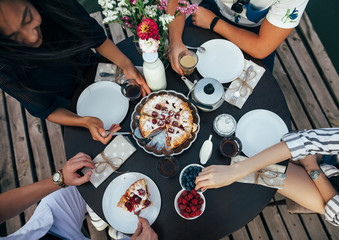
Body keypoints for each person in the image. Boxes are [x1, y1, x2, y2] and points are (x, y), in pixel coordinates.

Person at [0, 0, 151, 145]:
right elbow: (46, 109)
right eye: (15, 38)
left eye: (28, 18)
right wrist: (84, 121)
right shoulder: (3, 67)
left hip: (93, 65)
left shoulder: (56, 4)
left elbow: (96, 38)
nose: (32, 38)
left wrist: (126, 65)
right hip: (67, 105)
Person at [195, 128, 339, 226]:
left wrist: (312, 169)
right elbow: (306, 141)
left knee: (265, 171)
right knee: (264, 145)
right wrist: (237, 170)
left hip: (332, 197)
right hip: (334, 158)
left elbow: (336, 210)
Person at [0, 152, 158, 240]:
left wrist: (60, 179)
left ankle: (100, 218)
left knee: (89, 173)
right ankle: (120, 232)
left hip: (45, 230)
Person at [168, 0, 309, 74]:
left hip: (258, 32)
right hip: (214, 8)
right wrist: (175, 42)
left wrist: (213, 22)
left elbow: (262, 47)